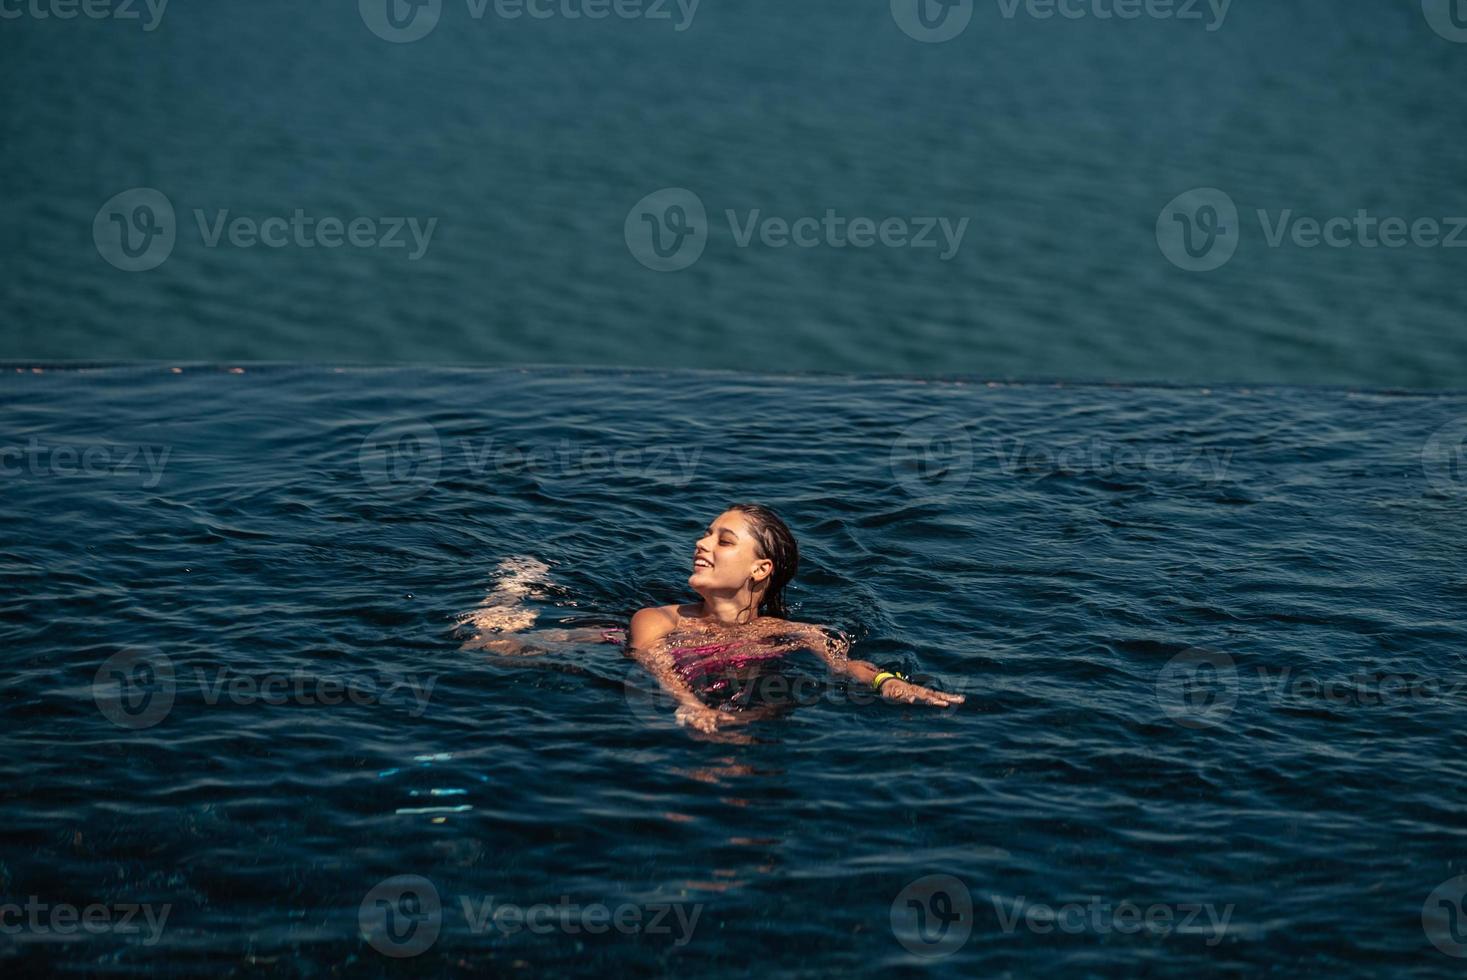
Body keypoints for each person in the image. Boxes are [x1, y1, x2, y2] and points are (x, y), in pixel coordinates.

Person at [461, 504, 965, 733]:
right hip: (608, 640)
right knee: (485, 648)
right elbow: (654, 665)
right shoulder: (655, 618)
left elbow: (842, 665)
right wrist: (689, 706)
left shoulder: (792, 633)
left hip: (724, 659)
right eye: (706, 534)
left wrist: (887, 682)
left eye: (723, 540)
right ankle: (510, 594)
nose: (701, 544)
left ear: (760, 569)